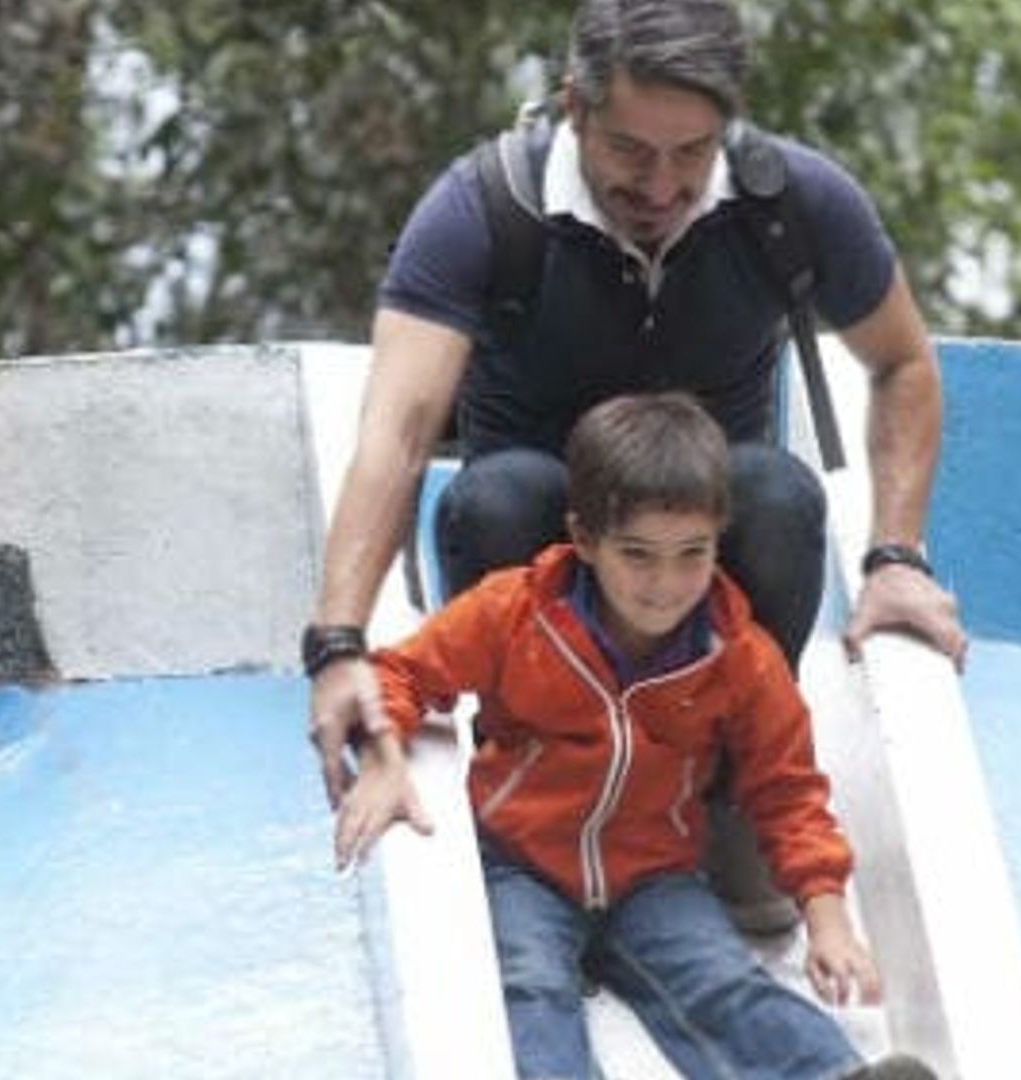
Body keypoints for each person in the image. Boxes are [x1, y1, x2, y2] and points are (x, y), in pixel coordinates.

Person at [305, 0, 965, 809]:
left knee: (779, 496)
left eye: (691, 152)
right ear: (575, 107)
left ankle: (731, 803)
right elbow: (397, 434)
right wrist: (338, 644)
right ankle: (525, 792)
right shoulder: (483, 208)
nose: (660, 187)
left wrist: (896, 558)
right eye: (629, 150)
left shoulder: (792, 205)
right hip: (541, 549)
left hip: (705, 553)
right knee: (494, 499)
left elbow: (903, 361)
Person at [333, 394, 937, 1080]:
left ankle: (833, 1075)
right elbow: (398, 674)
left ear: (718, 539)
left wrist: (828, 917)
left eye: (691, 554)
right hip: (521, 864)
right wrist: (383, 760)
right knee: (528, 988)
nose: (666, 584)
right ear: (585, 539)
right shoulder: (516, 613)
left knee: (721, 980)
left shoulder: (736, 653)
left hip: (655, 875)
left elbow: (787, 788)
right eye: (638, 555)